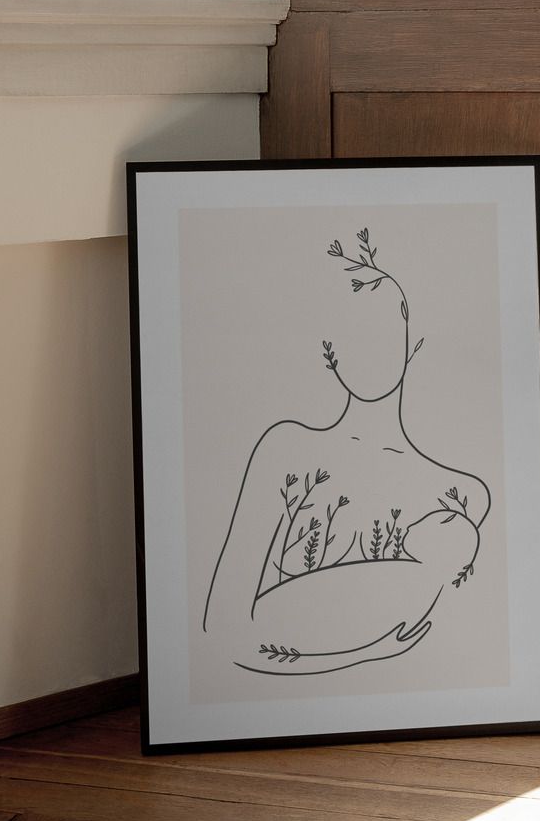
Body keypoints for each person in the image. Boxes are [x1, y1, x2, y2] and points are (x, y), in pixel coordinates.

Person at [203, 229, 491, 675]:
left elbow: (454, 640)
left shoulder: (459, 494)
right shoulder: (285, 451)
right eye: (348, 334)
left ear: (411, 337)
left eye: (383, 330)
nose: (369, 350)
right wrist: (362, 655)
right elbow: (225, 632)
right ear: (329, 351)